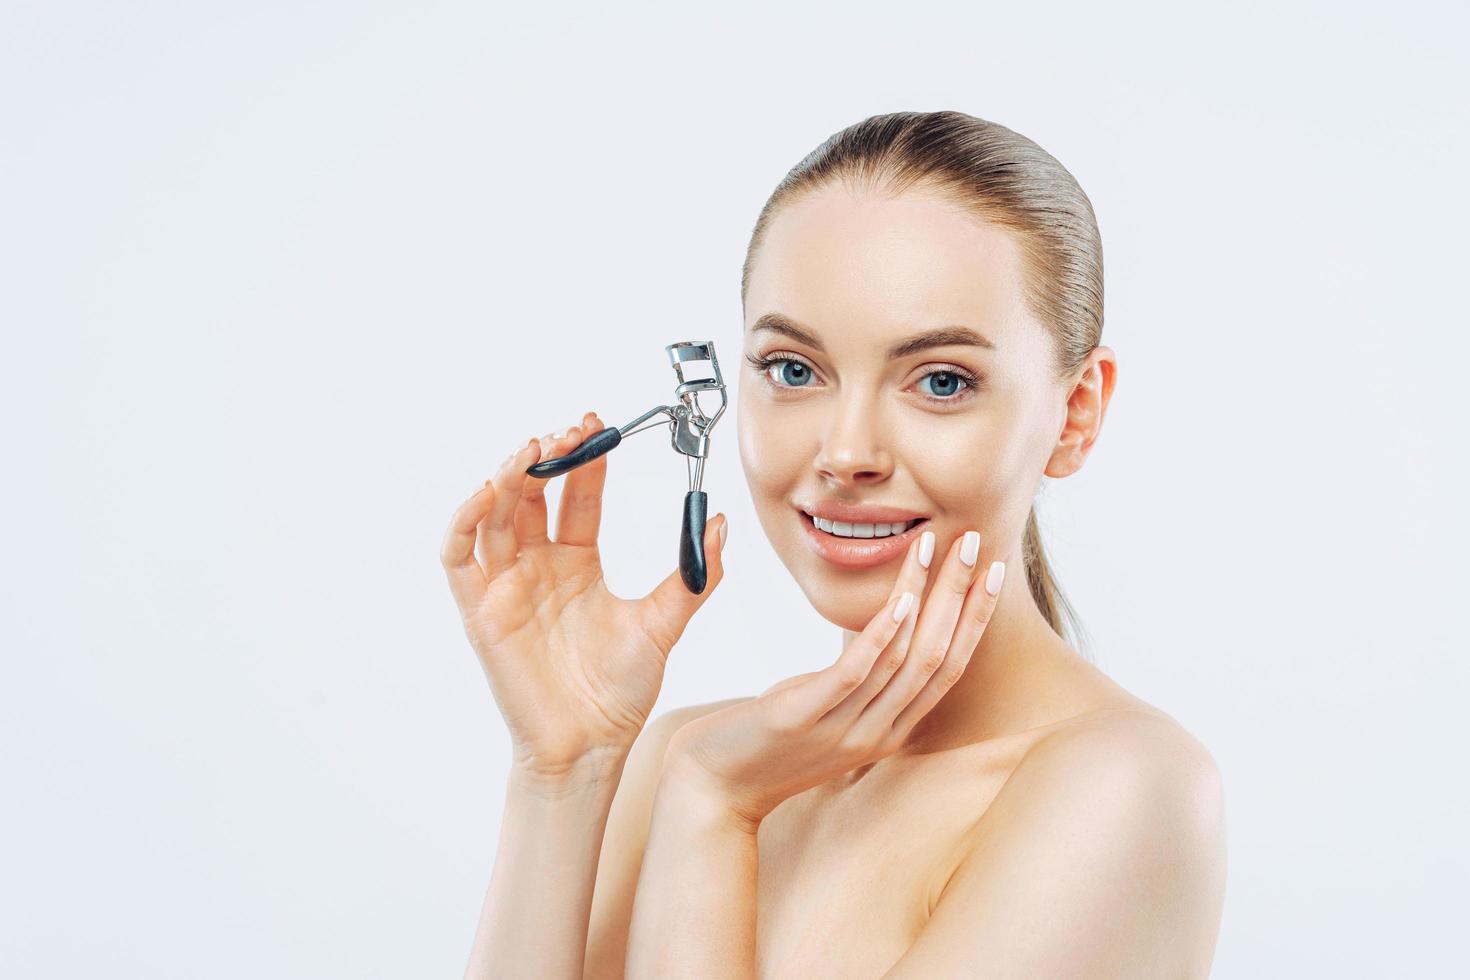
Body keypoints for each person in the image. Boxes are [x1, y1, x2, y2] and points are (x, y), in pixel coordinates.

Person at [441, 110, 1227, 979]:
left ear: (1075, 414)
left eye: (940, 381)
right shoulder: (684, 749)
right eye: (793, 370)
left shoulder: (1123, 789)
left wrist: (715, 811)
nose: (847, 452)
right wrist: (566, 771)